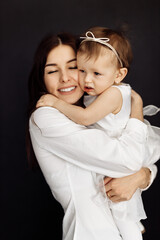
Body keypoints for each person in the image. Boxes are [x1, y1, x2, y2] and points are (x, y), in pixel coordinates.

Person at [28, 32, 158, 240]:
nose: (65, 77)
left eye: (73, 67)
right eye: (52, 71)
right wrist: (137, 108)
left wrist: (144, 176)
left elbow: (139, 158)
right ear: (41, 79)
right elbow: (130, 159)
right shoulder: (46, 117)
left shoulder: (97, 107)